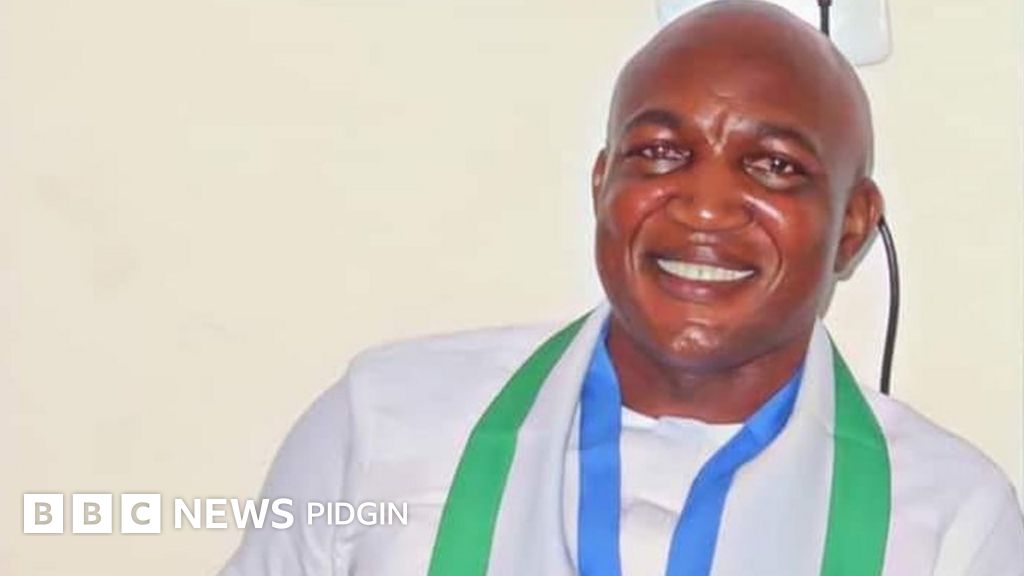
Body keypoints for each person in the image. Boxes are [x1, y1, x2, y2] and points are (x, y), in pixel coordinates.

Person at [221, 1, 1024, 574]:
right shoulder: (383, 426)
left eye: (775, 166)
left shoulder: (950, 523)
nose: (705, 207)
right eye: (661, 152)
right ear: (603, 184)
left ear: (852, 226)